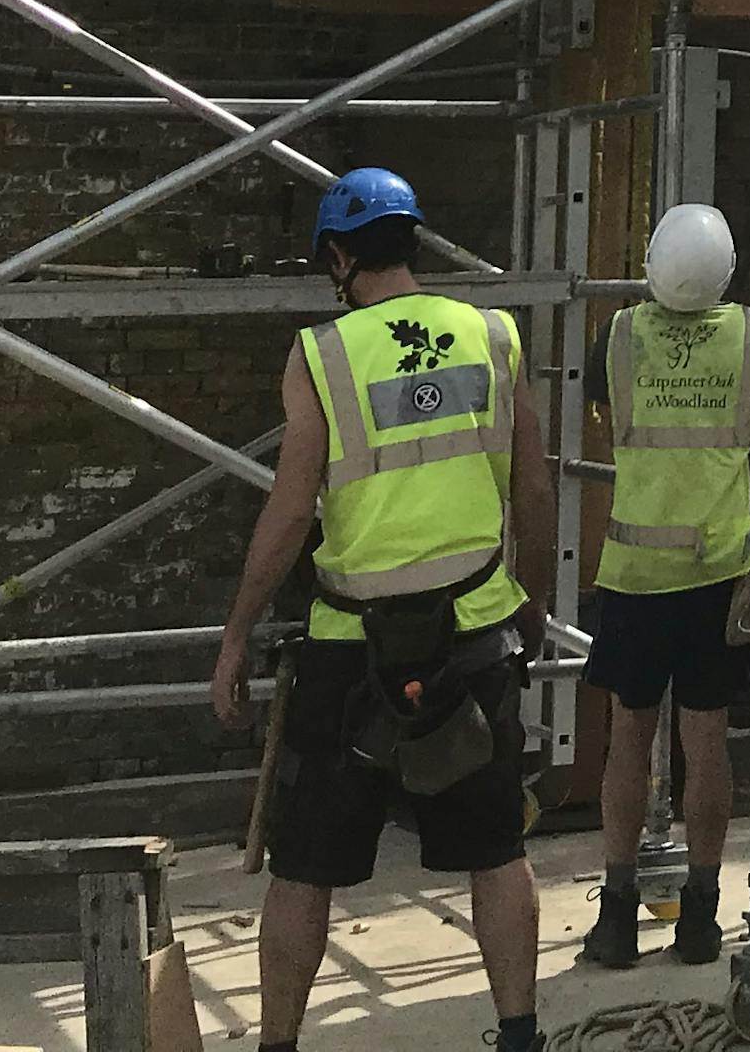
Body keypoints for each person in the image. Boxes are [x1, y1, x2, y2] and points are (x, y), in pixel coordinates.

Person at [209, 171, 556, 1052]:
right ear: (414, 242)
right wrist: (532, 602)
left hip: (349, 649)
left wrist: (238, 632)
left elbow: (291, 509)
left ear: (338, 257)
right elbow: (534, 487)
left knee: (303, 867)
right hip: (473, 633)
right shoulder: (492, 334)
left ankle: (278, 1045)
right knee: (496, 852)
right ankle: (521, 1036)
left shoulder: (322, 354)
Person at [575, 203, 750, 972]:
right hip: (717, 573)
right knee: (707, 741)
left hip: (635, 573)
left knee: (628, 736)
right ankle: (700, 918)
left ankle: (618, 916)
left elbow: (602, 411)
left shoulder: (618, 337)